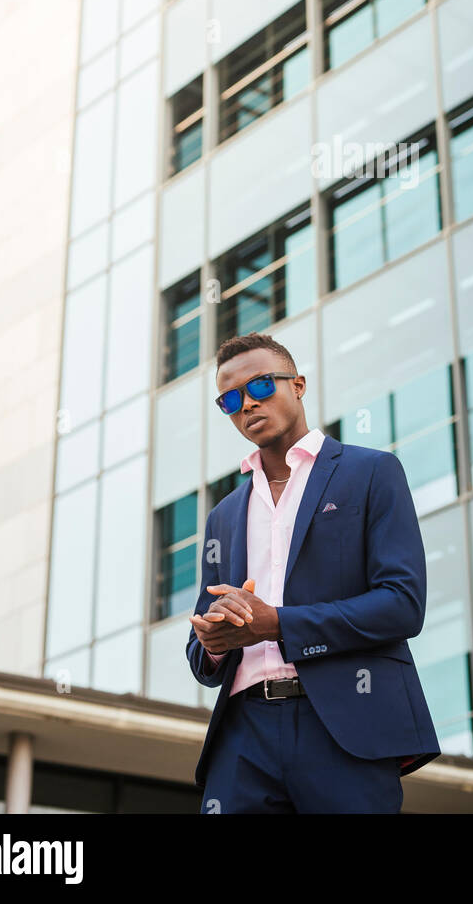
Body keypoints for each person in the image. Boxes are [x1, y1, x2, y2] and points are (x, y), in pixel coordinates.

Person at [186, 331, 441, 814]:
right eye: (230, 399)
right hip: (243, 734)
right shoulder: (223, 515)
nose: (247, 405)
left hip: (345, 724)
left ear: (298, 385)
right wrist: (214, 643)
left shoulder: (371, 473)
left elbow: (403, 604)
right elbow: (201, 651)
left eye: (260, 386)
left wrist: (278, 624)